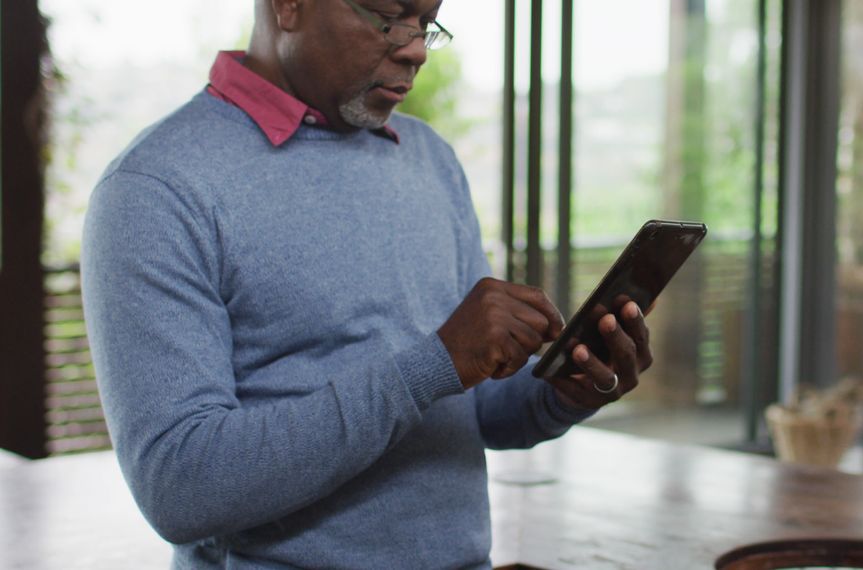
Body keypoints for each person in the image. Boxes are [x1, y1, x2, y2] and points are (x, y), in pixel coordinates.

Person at [81, 0, 653, 568]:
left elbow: (470, 414)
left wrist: (561, 390)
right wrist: (433, 364)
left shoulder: (430, 160)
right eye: (388, 16)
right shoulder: (155, 189)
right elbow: (180, 488)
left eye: (428, 23)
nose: (414, 48)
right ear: (288, 6)